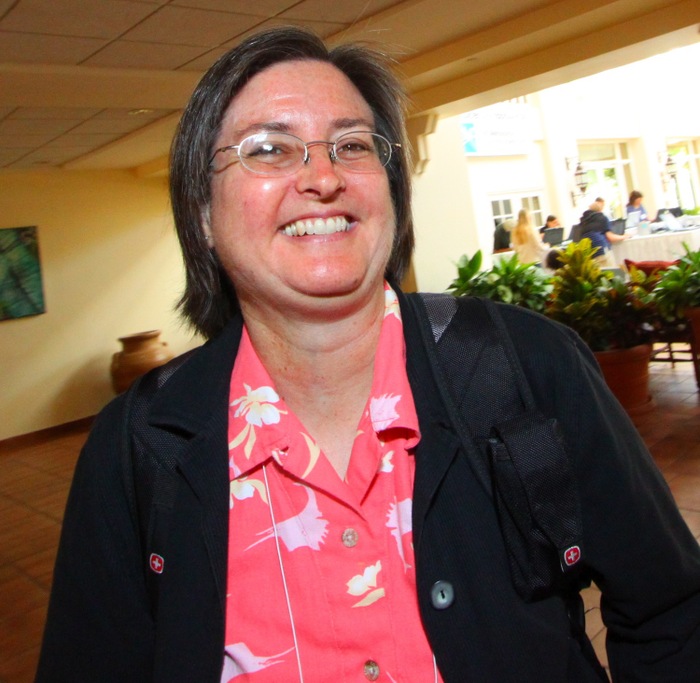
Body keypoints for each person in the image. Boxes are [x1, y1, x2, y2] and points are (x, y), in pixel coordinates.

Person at [36, 26, 700, 683]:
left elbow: (672, 610)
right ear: (203, 214)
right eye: (269, 148)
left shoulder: (529, 364)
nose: (323, 176)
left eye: (352, 144)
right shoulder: (138, 446)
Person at [579, 197, 626, 266]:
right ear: (600, 210)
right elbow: (611, 238)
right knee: (610, 271)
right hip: (601, 250)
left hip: (589, 254)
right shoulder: (602, 218)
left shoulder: (584, 221)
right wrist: (624, 236)